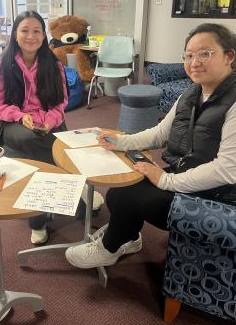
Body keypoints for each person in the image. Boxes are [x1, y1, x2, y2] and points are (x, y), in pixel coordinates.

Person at [65, 23, 236, 269]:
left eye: (205, 53)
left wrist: (165, 180)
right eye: (188, 55)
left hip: (218, 197)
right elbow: (159, 134)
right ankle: (129, 237)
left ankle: (110, 247)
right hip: (186, 174)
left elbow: (227, 170)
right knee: (121, 188)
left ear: (229, 56)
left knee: (126, 196)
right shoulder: (191, 94)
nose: (194, 61)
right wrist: (122, 142)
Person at [0, 10, 103, 245]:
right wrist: (21, 116)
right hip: (13, 124)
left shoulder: (53, 64)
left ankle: (39, 219)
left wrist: (51, 119)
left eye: (36, 31)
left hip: (48, 121)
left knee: (49, 141)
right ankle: (77, 187)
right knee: (43, 143)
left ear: (43, 36)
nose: (30, 36)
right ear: (15, 34)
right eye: (24, 30)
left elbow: (61, 101)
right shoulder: (1, 67)